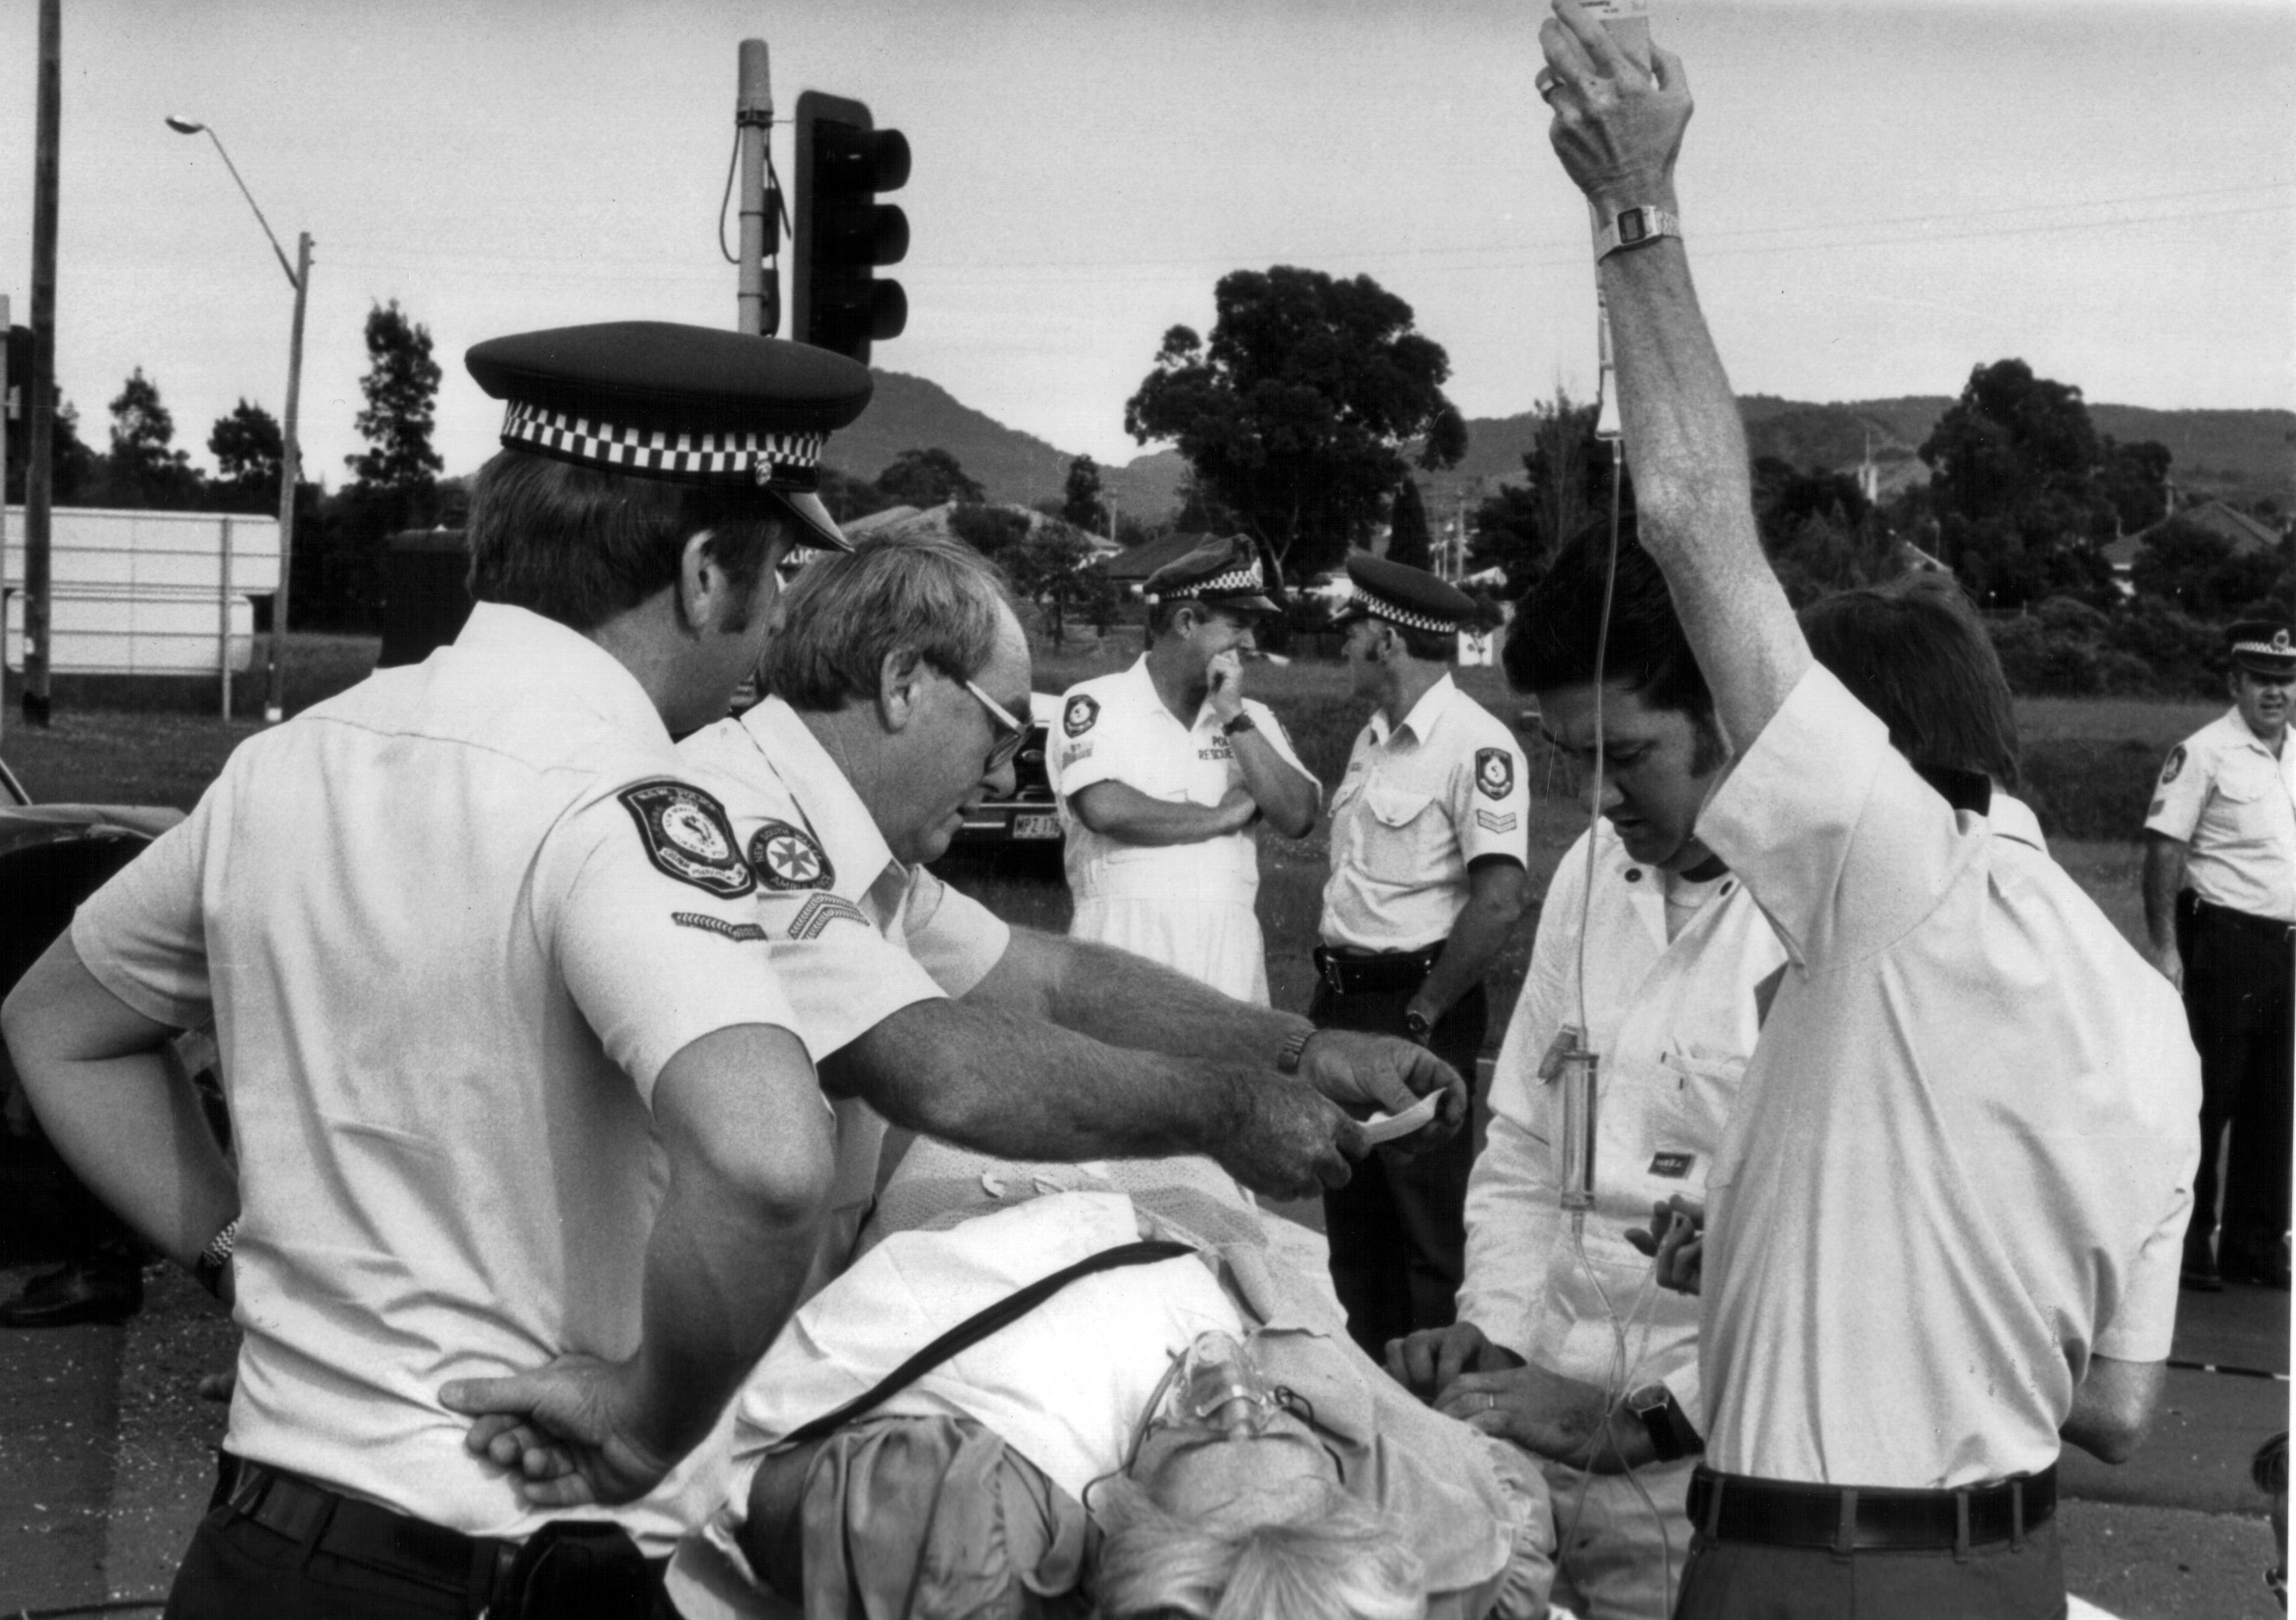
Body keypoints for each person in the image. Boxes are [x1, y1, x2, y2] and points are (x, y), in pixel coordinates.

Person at [0, 321, 888, 1618]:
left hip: (255, 1551)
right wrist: (646, 1424)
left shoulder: (291, 762)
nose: (773, 624)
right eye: (774, 575)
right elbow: (766, 1165)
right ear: (704, 574)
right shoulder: (617, 803)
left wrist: (241, 1257)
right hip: (498, 1557)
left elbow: (60, 1024)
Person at [1532, 7, 2199, 1616]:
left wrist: (1633, 204)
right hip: (2011, 1561)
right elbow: (2112, 1404)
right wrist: (1800, 1254)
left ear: (1869, 757)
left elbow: (1690, 515)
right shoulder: (2136, 1006)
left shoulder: (1898, 874)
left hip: (1807, 1563)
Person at [659, 533, 1464, 1300]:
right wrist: (1230, 1110)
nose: (1007, 782)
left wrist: (1301, 1050)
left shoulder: (855, 842)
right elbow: (945, 1070)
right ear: (902, 682)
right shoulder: (738, 819)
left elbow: (1052, 981)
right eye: (1005, 731)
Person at [1389, 527, 1785, 1620]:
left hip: (1702, 1462)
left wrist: (1649, 1417)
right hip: (1538, 1433)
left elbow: (1836, 1260)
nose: (1597, 794)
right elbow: (1524, 1137)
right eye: (1573, 759)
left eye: (1628, 754)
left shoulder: (1815, 919)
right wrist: (1496, 1330)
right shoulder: (1588, 876)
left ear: (1729, 720)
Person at [667, 1138, 1558, 1620]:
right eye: (1280, 1420)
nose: (1233, 1391)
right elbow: (1480, 1515)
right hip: (1192, 1190)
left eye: (1202, 1424)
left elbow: (787, 1493)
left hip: (980, 1168)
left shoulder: (980, 1499)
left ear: (1122, 1517)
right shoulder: (1414, 1498)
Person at [1315, 553, 1531, 1355]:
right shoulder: (1374, 739)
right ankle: (1370, 1405)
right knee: (1353, 1221)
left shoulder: (1478, 745)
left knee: (1427, 1233)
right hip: (1342, 999)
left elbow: (1501, 896)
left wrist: (1425, 1010)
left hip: (1414, 1005)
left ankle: (1441, 1426)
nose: (1343, 648)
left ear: (1388, 641)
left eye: (1353, 633)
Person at [1046, 534, 1320, 1003]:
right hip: (1121, 945)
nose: (1251, 642)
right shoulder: (1097, 702)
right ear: (1186, 621)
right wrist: (1225, 816)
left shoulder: (1251, 718)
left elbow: (1298, 816)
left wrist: (1234, 717)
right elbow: (1105, 808)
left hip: (1229, 953)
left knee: (1230, 1077)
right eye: (1238, 624)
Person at [2142, 620, 2295, 1290]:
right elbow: (2164, 850)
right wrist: (2165, 948)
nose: (2274, 692)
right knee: (2210, 1097)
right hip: (2224, 943)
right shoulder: (2201, 753)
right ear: (2235, 682)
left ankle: (2255, 1247)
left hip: (2287, 946)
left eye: (2285, 680)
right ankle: (2187, 1245)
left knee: (2275, 1102)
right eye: (2261, 679)